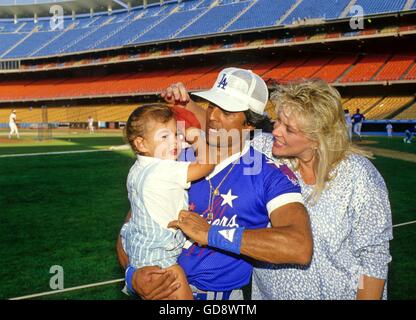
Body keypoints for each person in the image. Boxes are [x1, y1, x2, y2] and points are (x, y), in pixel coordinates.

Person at [117, 67, 313, 300]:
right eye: (211, 106)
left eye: (227, 111)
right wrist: (132, 274)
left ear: (249, 124)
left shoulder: (269, 174)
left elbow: (299, 246)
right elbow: (131, 227)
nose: (212, 117)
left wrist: (210, 233)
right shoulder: (174, 158)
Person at [250, 80, 392, 299]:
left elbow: (372, 261)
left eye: (289, 129)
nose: (275, 131)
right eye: (277, 120)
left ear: (317, 139)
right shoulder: (264, 153)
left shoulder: (358, 176)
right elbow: (212, 142)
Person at [120, 104, 215, 300]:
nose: (175, 142)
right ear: (141, 144)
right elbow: (206, 164)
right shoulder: (164, 170)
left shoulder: (137, 169)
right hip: (160, 257)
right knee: (178, 286)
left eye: (175, 134)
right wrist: (197, 137)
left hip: (139, 250)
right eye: (165, 136)